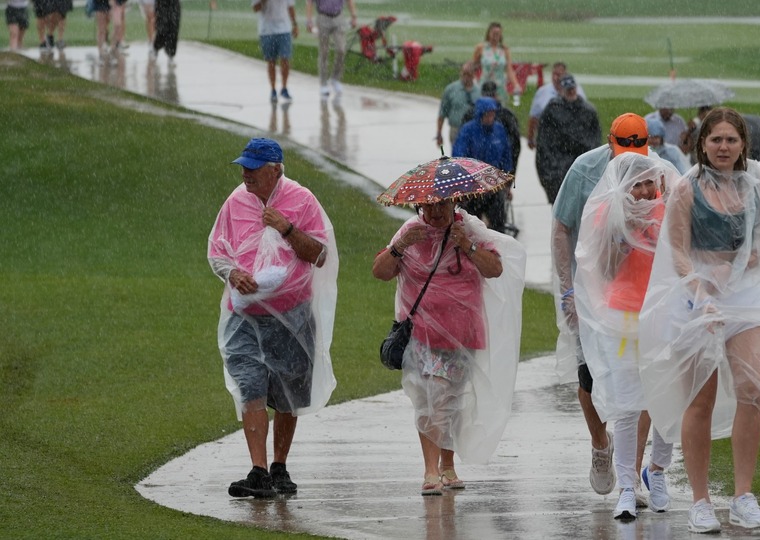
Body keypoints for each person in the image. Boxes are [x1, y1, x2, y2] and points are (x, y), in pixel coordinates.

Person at [635, 107, 760, 533]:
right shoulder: (687, 188)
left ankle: (743, 496)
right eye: (715, 139)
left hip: (744, 294)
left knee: (753, 389)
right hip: (696, 298)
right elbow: (678, 251)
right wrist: (702, 288)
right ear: (702, 143)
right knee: (700, 397)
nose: (723, 147)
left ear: (742, 145)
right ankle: (701, 502)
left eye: (731, 140)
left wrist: (740, 264)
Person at [552, 113, 673, 510]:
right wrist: (568, 289)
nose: (641, 184)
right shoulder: (585, 170)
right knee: (590, 379)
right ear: (610, 142)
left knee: (646, 390)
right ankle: (600, 444)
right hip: (595, 296)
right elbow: (562, 228)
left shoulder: (663, 174)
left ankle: (634, 476)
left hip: (651, 307)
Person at [208, 138, 339, 498]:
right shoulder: (235, 202)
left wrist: (287, 229)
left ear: (276, 169)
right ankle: (258, 470)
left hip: (291, 314)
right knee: (250, 387)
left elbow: (321, 255)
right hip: (244, 316)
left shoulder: (302, 200)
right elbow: (217, 250)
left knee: (287, 393)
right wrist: (232, 273)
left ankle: (279, 466)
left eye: (253, 168)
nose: (246, 174)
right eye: (243, 167)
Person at [371, 197, 524, 495]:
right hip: (421, 335)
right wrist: (400, 246)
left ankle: (447, 465)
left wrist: (467, 244)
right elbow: (380, 271)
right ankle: (431, 470)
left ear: (454, 201)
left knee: (450, 400)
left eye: (441, 205)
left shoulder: (469, 229)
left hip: (462, 335)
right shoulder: (410, 231)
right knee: (431, 397)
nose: (435, 211)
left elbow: (494, 268)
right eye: (428, 206)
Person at [573, 152, 681, 519]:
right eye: (637, 184)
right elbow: (602, 270)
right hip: (623, 317)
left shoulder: (670, 211)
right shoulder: (610, 214)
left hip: (663, 314)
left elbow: (682, 257)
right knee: (626, 405)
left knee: (666, 400)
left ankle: (658, 471)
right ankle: (626, 486)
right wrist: (623, 237)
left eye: (650, 182)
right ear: (623, 187)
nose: (645, 190)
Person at [535, 74, 601, 204]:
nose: (571, 92)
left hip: (580, 166)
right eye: (568, 89)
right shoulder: (552, 110)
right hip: (558, 167)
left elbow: (595, 142)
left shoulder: (588, 111)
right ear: (561, 90)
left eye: (572, 89)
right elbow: (544, 141)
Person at [452, 97, 514, 234]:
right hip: (473, 187)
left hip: (494, 184)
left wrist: (507, 182)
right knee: (471, 225)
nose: (491, 118)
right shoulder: (468, 130)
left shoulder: (499, 130)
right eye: (488, 114)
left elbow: (506, 155)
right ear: (480, 114)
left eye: (493, 114)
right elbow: (459, 156)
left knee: (498, 222)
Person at [462, 81, 521, 177]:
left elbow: (510, 150)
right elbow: (460, 151)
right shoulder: (469, 123)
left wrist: (508, 174)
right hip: (474, 175)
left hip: (496, 175)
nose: (490, 118)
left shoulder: (503, 122)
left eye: (492, 115)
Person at [526, 62, 586, 150]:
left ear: (565, 75)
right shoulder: (542, 92)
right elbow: (534, 117)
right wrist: (530, 138)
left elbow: (585, 115)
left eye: (559, 75)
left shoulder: (577, 92)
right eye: (554, 74)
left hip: (571, 140)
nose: (555, 78)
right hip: (548, 140)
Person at [305, 0, 357, 97]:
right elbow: (309, 2)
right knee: (324, 52)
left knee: (341, 49)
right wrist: (309, 20)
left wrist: (353, 16)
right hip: (323, 17)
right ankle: (323, 83)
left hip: (338, 17)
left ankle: (335, 78)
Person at [254, 0, 298, 103]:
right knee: (271, 61)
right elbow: (256, 8)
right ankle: (273, 89)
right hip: (267, 30)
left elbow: (290, 6)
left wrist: (295, 24)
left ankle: (284, 87)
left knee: (285, 58)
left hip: (284, 29)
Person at [471, 22, 520, 106]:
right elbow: (473, 66)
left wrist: (516, 84)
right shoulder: (481, 48)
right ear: (489, 33)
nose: (495, 36)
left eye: (498, 34)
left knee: (499, 108)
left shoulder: (504, 49)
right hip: (485, 84)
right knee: (484, 106)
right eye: (494, 33)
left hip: (500, 85)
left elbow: (509, 69)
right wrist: (474, 80)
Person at [435, 62, 480, 151]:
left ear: (473, 75)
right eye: (464, 73)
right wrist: (439, 133)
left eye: (468, 74)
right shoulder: (451, 90)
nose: (466, 77)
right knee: (458, 155)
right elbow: (442, 113)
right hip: (456, 129)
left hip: (474, 131)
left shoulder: (479, 91)